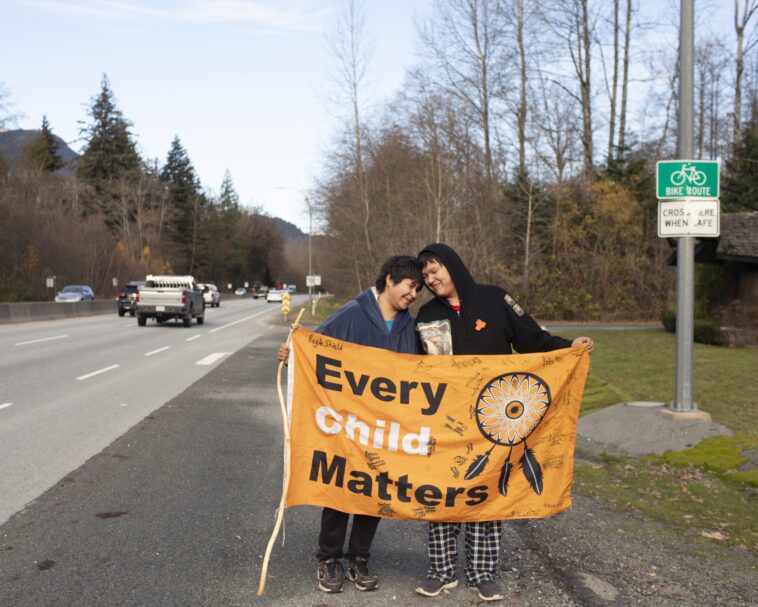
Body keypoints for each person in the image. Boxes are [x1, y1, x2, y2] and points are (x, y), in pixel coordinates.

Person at [412, 243, 594, 602]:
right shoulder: (427, 315)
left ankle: (483, 573)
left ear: (452, 265)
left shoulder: (495, 299)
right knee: (442, 493)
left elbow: (532, 339)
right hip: (445, 420)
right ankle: (441, 571)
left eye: (435, 271)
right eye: (426, 277)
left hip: (491, 421)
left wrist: (569, 346)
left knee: (485, 493)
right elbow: (412, 367)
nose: (431, 280)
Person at [277, 255, 423, 594]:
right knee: (342, 488)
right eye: (410, 286)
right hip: (346, 425)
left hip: (386, 428)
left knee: (376, 491)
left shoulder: (407, 326)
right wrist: (293, 356)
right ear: (389, 279)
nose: (414, 294)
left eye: (417, 289)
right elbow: (316, 351)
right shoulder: (352, 313)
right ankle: (328, 559)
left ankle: (359, 557)